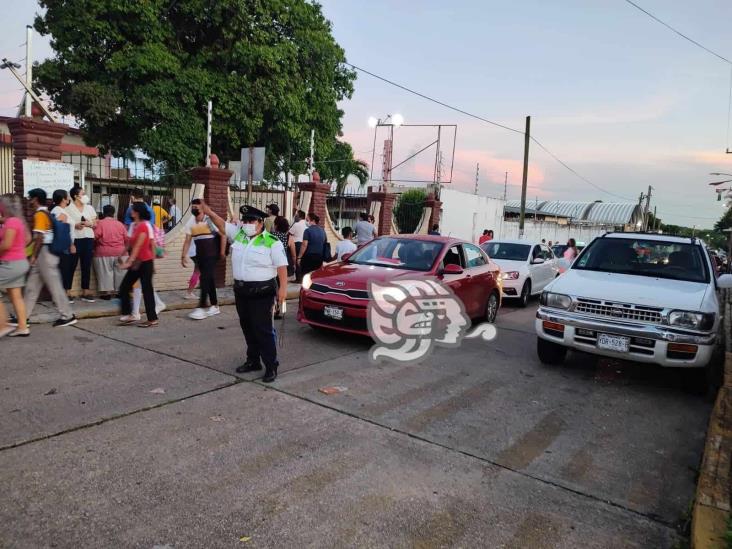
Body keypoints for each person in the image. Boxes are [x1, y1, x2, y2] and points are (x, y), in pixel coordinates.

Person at [204, 202, 288, 382]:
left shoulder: (272, 242)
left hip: (263, 293)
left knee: (263, 330)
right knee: (247, 328)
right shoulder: (239, 235)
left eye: (251, 220)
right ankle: (253, 360)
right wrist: (209, 211)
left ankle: (271, 365)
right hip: (242, 291)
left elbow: (282, 267)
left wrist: (283, 290)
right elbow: (221, 224)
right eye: (245, 220)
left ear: (260, 222)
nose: (246, 223)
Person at [23, 188, 77, 327]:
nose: (28, 201)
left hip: (44, 253)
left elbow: (39, 237)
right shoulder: (45, 212)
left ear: (35, 199)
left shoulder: (40, 214)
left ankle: (67, 315)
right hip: (45, 253)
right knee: (32, 286)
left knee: (55, 286)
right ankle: (22, 316)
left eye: (30, 198)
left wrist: (33, 256)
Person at [182, 199, 224, 320]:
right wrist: (183, 256)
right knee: (209, 279)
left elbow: (223, 234)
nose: (194, 209)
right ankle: (215, 306)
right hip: (200, 255)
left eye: (197, 207)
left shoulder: (209, 220)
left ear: (203, 208)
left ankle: (201, 307)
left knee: (205, 278)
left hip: (212, 255)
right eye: (193, 207)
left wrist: (221, 252)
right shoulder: (191, 222)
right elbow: (187, 240)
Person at [118, 203, 159, 327]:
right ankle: (129, 314)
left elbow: (140, 245)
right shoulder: (132, 226)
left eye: (133, 210)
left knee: (147, 290)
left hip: (145, 262)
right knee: (124, 286)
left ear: (137, 212)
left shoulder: (145, 225)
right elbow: (130, 244)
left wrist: (129, 261)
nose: (131, 211)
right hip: (137, 261)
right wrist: (122, 254)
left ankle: (152, 319)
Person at [0, 194, 31, 337]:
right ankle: (23, 327)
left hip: (10, 264)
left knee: (15, 295)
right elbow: (27, 239)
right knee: (16, 295)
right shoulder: (18, 221)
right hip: (20, 262)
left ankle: (3, 325)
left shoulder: (11, 222)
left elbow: (6, 245)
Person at [65, 185, 98, 302]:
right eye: (82, 194)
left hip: (88, 238)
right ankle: (67, 291)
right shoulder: (68, 209)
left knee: (86, 265)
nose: (85, 196)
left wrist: (90, 224)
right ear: (76, 196)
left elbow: (95, 222)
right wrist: (75, 225)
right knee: (71, 265)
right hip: (75, 239)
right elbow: (65, 224)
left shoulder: (89, 208)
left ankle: (86, 291)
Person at [93, 205, 128, 300]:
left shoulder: (100, 223)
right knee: (120, 272)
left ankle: (106, 293)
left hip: (103, 252)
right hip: (121, 253)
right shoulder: (120, 224)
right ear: (114, 213)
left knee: (105, 272)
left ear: (103, 213)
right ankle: (119, 292)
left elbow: (95, 236)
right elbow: (127, 239)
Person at [271, 216, 291, 318]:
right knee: (282, 288)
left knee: (274, 289)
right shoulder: (287, 237)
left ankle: (274, 311)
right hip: (283, 265)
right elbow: (292, 251)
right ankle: (283, 310)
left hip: (273, 266)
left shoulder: (272, 236)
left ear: (276, 225)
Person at [288, 210, 307, 281]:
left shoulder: (296, 224)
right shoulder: (307, 224)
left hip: (297, 244)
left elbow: (289, 233)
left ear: (299, 216)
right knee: (303, 261)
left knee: (296, 261)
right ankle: (302, 277)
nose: (295, 216)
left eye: (296, 215)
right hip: (305, 244)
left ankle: (298, 278)